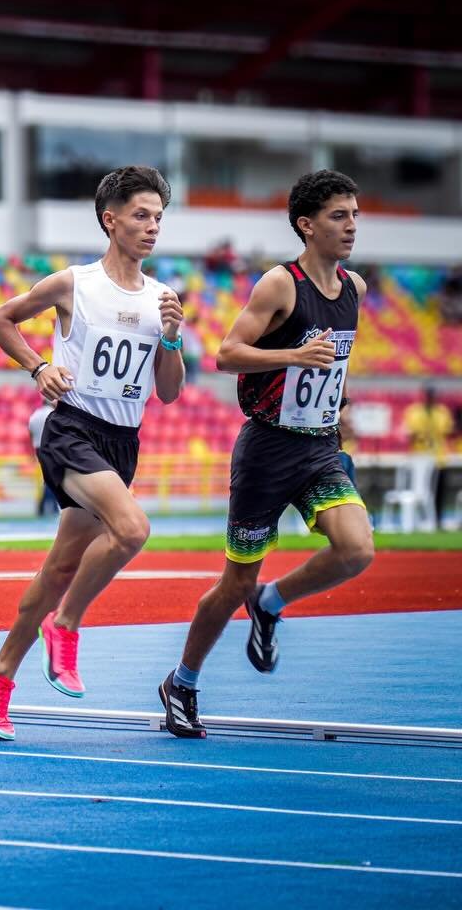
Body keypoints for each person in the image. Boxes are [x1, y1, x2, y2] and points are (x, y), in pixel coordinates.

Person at [0, 165, 185, 741]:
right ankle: (64, 625)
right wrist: (38, 365)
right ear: (109, 219)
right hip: (73, 430)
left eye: (158, 217)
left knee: (60, 567)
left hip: (124, 441)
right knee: (133, 529)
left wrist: (170, 340)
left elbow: (168, 390)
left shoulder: (163, 298)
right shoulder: (74, 283)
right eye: (141, 215)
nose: (152, 227)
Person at [161, 169, 373, 739]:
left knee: (356, 549)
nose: (351, 224)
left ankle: (272, 603)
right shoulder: (280, 284)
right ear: (306, 225)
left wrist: (341, 403)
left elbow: (336, 360)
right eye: (338, 215)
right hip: (267, 449)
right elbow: (228, 355)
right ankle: (181, 682)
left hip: (320, 447)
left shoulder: (355, 289)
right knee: (233, 583)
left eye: (354, 213)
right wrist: (294, 357)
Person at [402, 384, 454, 526]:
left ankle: (436, 520)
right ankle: (420, 519)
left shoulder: (442, 412)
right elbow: (409, 434)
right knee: (419, 490)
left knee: (438, 492)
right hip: (419, 456)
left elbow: (449, 432)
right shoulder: (414, 412)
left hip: (438, 457)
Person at [28, 399, 59, 516]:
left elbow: (31, 433)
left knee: (48, 479)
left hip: (39, 448)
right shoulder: (52, 413)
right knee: (54, 479)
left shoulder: (34, 415)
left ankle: (43, 506)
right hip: (51, 448)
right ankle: (51, 506)